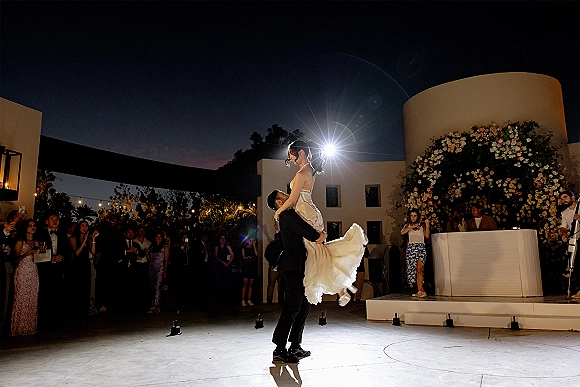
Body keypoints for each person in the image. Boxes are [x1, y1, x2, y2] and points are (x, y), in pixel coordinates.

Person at [273, 140, 367, 306]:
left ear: (300, 152)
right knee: (318, 251)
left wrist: (278, 212)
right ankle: (342, 287)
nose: (292, 160)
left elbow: (293, 199)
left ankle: (341, 286)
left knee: (316, 251)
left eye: (292, 155)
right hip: (309, 211)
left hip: (306, 212)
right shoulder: (309, 170)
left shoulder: (301, 174)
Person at [267, 189, 326, 363]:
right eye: (283, 195)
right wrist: (318, 235)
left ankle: (295, 345)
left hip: (302, 265)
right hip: (292, 266)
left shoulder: (289, 214)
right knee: (293, 306)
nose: (288, 195)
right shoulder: (287, 215)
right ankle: (279, 348)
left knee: (305, 305)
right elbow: (305, 230)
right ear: (279, 202)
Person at [36, 212, 71, 329]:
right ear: (47, 221)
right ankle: (44, 321)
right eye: (52, 219)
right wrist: (49, 258)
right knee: (44, 294)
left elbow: (68, 253)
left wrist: (62, 257)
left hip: (59, 269)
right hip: (44, 269)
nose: (55, 221)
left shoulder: (62, 235)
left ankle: (57, 319)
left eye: (57, 219)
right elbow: (36, 252)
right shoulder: (39, 234)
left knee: (58, 294)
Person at [11, 219, 45, 336]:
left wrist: (42, 254)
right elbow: (15, 259)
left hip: (34, 271)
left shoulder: (37, 242)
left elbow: (40, 259)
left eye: (34, 225)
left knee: (32, 298)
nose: (32, 227)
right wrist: (27, 253)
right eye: (30, 225)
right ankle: (19, 328)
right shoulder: (21, 241)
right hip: (22, 271)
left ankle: (30, 327)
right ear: (25, 227)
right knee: (21, 299)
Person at [68, 220, 98, 322]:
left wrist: (92, 240)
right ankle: (75, 314)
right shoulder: (73, 238)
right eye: (82, 225)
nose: (84, 227)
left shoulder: (89, 239)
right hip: (76, 266)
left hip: (86, 265)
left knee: (86, 288)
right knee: (77, 289)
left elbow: (93, 252)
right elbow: (76, 253)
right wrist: (84, 241)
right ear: (79, 227)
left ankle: (85, 314)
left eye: (86, 225)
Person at [401, 209, 430, 298]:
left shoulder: (422, 226)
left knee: (420, 269)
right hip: (411, 248)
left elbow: (427, 236)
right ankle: (419, 289)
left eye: (415, 216)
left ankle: (421, 289)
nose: (413, 218)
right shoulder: (407, 225)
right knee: (413, 270)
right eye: (412, 216)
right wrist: (411, 226)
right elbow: (402, 232)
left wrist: (427, 225)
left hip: (420, 248)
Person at [559, 190, 580, 298]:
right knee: (575, 265)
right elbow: (564, 226)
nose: (564, 200)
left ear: (572, 197)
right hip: (575, 240)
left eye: (566, 197)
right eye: (562, 198)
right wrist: (564, 234)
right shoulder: (565, 213)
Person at [147, 232, 169, 313]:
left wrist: (165, 270)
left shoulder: (165, 247)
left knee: (158, 287)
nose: (158, 238)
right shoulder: (152, 247)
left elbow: (166, 260)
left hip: (160, 269)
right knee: (152, 286)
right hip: (152, 269)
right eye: (157, 237)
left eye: (160, 237)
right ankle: (153, 304)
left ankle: (157, 305)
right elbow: (150, 259)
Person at [213, 234, 235, 305]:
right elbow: (216, 256)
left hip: (227, 266)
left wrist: (228, 263)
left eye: (224, 238)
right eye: (221, 238)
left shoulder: (228, 247)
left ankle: (227, 298)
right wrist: (223, 262)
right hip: (220, 266)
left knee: (227, 281)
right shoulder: (217, 247)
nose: (223, 240)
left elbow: (232, 255)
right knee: (220, 281)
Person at [265, 231, 285, 304]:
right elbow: (267, 255)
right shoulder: (281, 246)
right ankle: (277, 299)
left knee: (275, 284)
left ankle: (272, 300)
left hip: (277, 266)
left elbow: (266, 255)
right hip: (277, 266)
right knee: (276, 284)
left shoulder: (273, 246)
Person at [240, 236, 258, 306]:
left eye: (252, 241)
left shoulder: (253, 248)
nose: (250, 242)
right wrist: (246, 258)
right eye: (250, 241)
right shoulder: (243, 248)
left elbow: (256, 254)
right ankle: (243, 299)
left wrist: (254, 245)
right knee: (245, 283)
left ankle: (249, 299)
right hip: (246, 267)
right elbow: (243, 257)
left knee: (251, 283)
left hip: (252, 267)